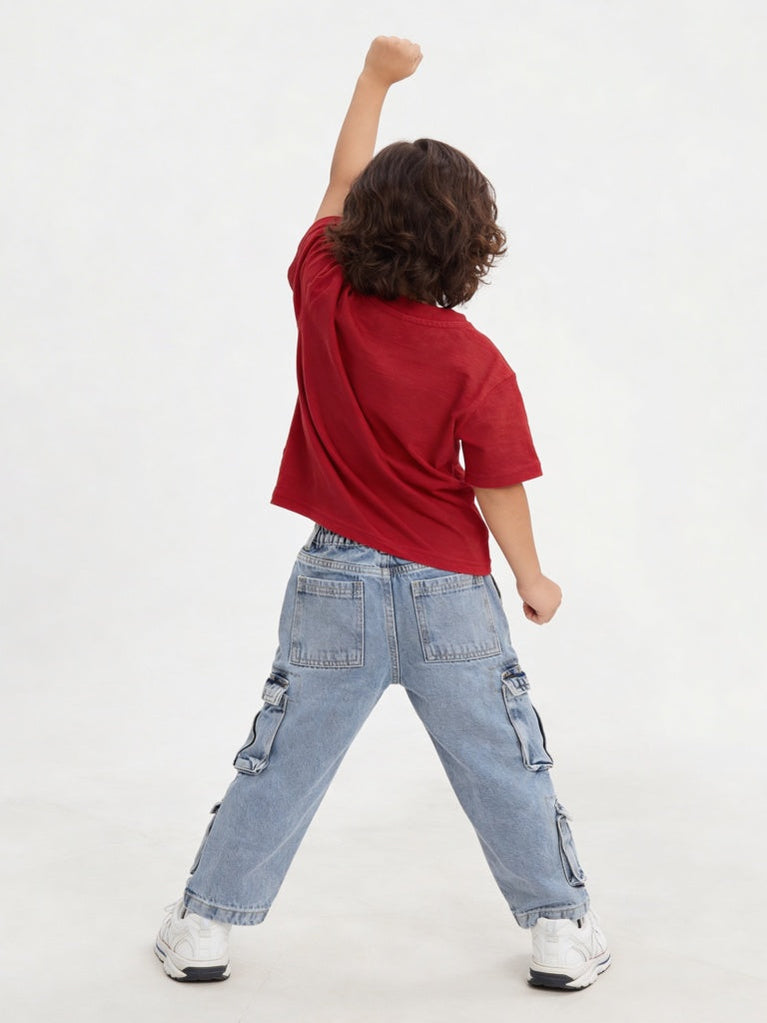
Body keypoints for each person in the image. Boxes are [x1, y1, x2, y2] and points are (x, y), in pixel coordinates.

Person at [154, 35, 611, 991]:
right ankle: (559, 930)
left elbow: (339, 181)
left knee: (281, 759)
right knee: (504, 763)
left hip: (336, 583)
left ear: (362, 227)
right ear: (470, 245)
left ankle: (203, 925)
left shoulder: (323, 294)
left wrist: (373, 79)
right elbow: (497, 484)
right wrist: (530, 576)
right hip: (452, 596)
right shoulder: (473, 357)